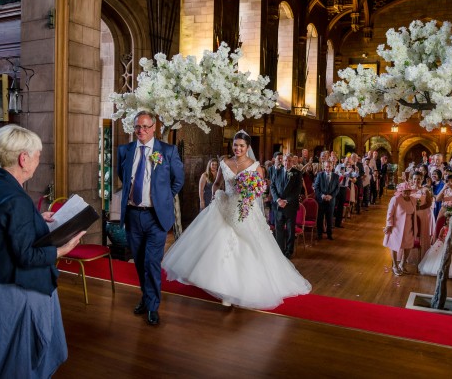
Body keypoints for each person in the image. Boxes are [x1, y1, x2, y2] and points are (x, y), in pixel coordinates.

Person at [0, 125, 83, 378]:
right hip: (13, 286)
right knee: (16, 354)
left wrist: (36, 218)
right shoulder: (15, 197)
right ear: (23, 158)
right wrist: (61, 250)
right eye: (38, 156)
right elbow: (26, 256)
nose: (38, 161)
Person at [162, 131, 311, 309]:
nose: (238, 148)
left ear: (248, 147)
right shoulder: (224, 163)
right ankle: (221, 286)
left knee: (244, 249)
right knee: (219, 245)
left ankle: (235, 290)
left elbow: (260, 190)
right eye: (235, 145)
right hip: (224, 207)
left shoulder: (256, 167)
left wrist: (250, 195)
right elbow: (217, 183)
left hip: (245, 211)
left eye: (241, 146)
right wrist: (214, 196)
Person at [118, 111, 185, 326]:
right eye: (138, 126)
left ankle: (153, 306)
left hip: (156, 217)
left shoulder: (168, 151)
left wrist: (162, 198)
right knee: (139, 261)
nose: (141, 130)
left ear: (154, 127)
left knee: (152, 262)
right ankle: (146, 298)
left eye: (146, 126)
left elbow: (178, 180)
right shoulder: (125, 150)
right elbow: (123, 176)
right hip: (133, 214)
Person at [270, 153, 303, 259]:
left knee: (290, 230)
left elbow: (297, 190)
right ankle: (280, 250)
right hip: (278, 206)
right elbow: (272, 186)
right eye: (285, 160)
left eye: (289, 161)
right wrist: (278, 200)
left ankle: (289, 251)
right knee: (279, 229)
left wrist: (286, 201)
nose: (287, 162)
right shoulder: (277, 171)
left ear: (292, 162)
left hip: (290, 206)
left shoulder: (297, 173)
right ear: (282, 161)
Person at [418, 210, 452, 279]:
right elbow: (439, 236)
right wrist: (443, 240)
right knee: (440, 249)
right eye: (447, 220)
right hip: (443, 241)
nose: (448, 221)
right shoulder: (444, 228)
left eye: (450, 220)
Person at [383, 183, 417, 276]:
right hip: (396, 226)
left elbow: (414, 212)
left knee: (408, 245)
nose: (407, 193)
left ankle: (402, 263)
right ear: (401, 191)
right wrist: (389, 225)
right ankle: (395, 265)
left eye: (408, 191)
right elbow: (390, 213)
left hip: (409, 226)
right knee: (394, 245)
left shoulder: (413, 199)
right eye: (405, 191)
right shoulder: (395, 199)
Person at [313, 160, 339, 240]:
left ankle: (329, 234)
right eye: (326, 167)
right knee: (320, 218)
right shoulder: (320, 175)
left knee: (330, 218)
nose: (328, 168)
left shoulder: (336, 176)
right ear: (324, 167)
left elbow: (337, 188)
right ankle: (319, 234)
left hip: (331, 200)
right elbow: (316, 187)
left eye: (329, 167)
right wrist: (322, 195)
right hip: (321, 201)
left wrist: (331, 196)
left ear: (332, 167)